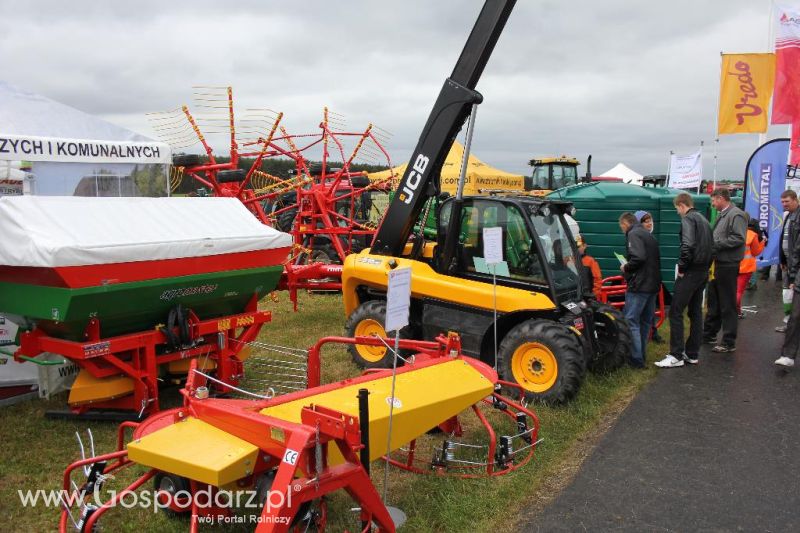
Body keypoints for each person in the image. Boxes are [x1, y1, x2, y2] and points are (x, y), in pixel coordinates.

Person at [655, 193, 713, 368]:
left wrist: (682, 267)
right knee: (695, 312)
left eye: (676, 209)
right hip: (703, 271)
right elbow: (712, 246)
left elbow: (687, 245)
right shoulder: (704, 219)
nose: (677, 212)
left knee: (675, 312)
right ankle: (692, 353)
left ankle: (676, 354)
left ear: (681, 205)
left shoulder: (688, 219)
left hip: (690, 272)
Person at [702, 187, 747, 352]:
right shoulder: (724, 214)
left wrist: (715, 245)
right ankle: (709, 333)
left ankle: (729, 341)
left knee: (727, 303)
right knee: (714, 301)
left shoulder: (736, 214)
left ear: (721, 198)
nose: (712, 204)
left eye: (713, 200)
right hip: (718, 263)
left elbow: (739, 238)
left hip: (728, 264)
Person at [619, 212, 661, 368]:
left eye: (621, 227)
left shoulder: (634, 234)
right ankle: (641, 356)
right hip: (652, 285)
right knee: (645, 321)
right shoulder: (648, 234)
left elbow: (638, 257)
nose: (622, 230)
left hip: (640, 285)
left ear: (625, 223)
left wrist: (626, 267)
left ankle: (635, 359)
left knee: (631, 320)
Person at [776, 190, 800, 332]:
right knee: (787, 295)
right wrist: (782, 259)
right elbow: (784, 240)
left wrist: (793, 273)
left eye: (787, 201)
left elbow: (797, 247)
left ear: (795, 200)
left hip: (796, 266)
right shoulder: (789, 215)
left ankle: (793, 325)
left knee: (794, 294)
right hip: (788, 264)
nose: (784, 204)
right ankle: (789, 323)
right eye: (783, 202)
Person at [736, 216, 766, 318]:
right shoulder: (753, 235)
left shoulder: (736, 231)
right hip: (746, 268)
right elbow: (756, 252)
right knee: (738, 292)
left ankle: (735, 311)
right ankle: (737, 313)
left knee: (732, 290)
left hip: (732, 265)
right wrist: (762, 242)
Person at [576, 234, 603, 299]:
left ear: (585, 246)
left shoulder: (591, 261)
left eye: (579, 246)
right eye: (575, 247)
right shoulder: (570, 260)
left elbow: (598, 279)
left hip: (588, 296)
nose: (577, 249)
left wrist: (594, 295)